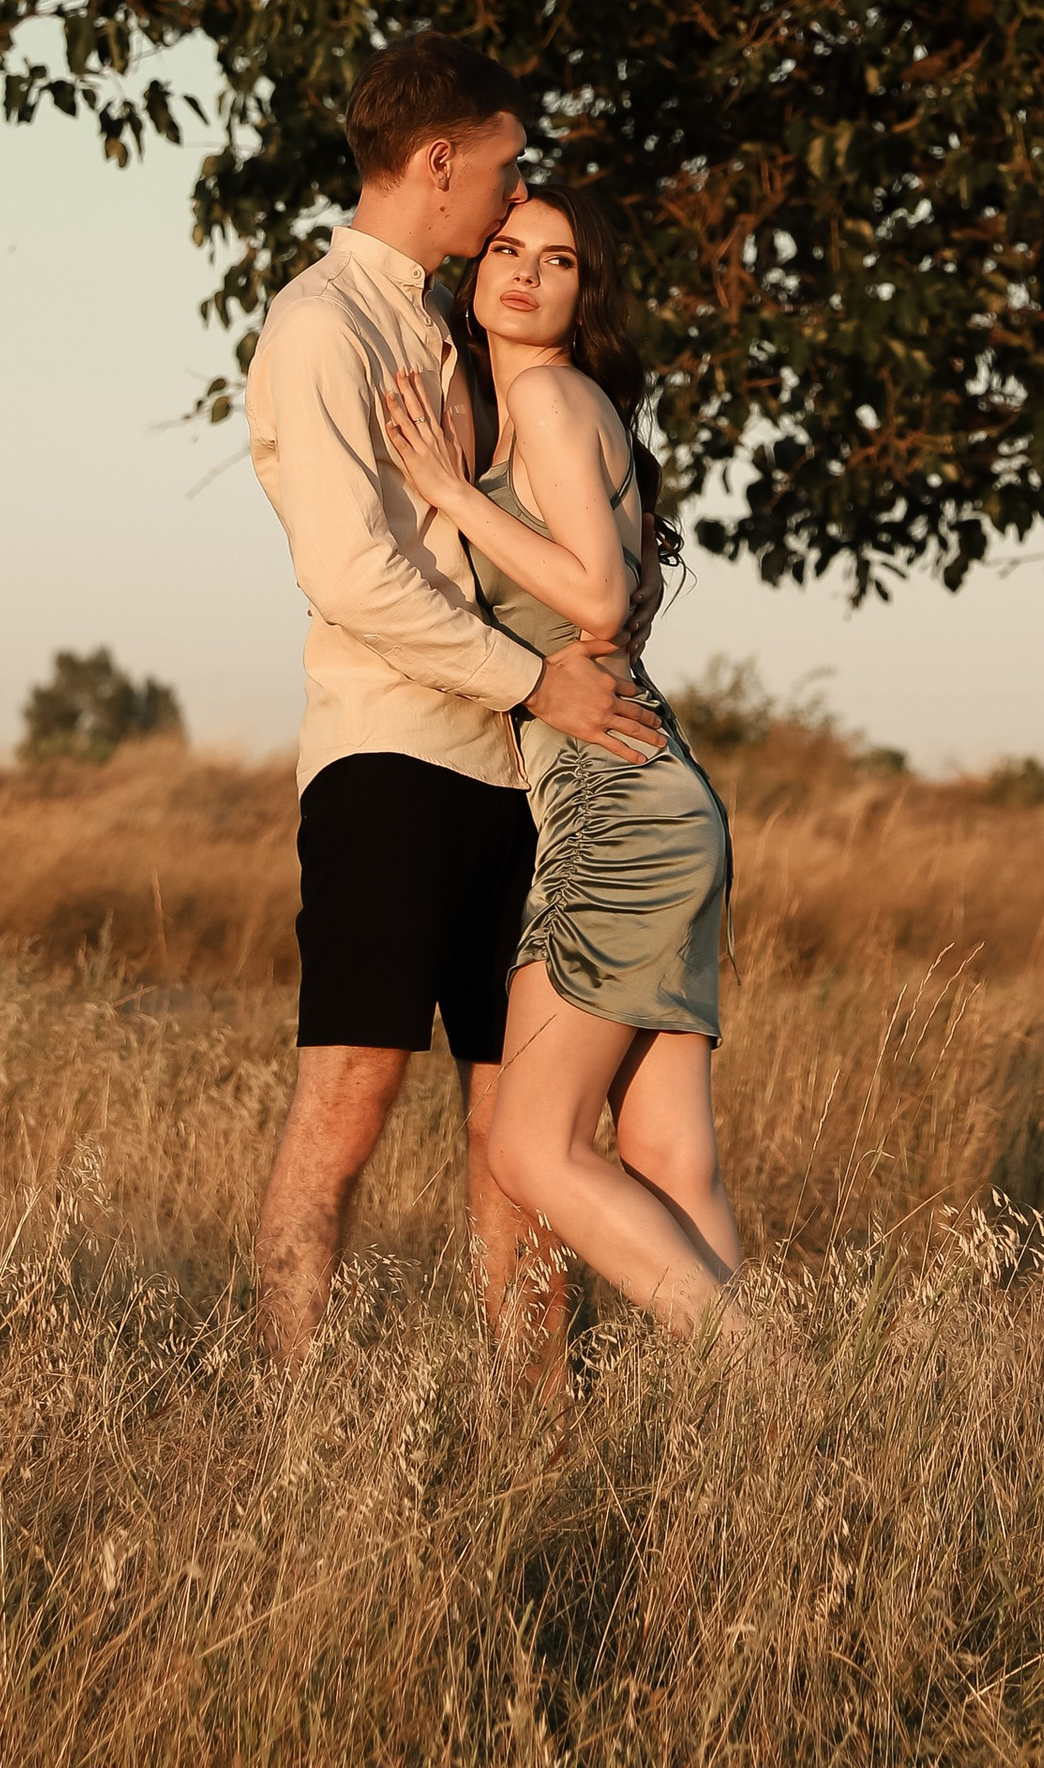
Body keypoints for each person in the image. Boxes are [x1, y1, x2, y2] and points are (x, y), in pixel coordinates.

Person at [246, 33, 663, 1369]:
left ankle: (531, 1433)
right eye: (502, 166)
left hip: (522, 773)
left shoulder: (453, 320)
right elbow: (355, 574)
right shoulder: (321, 322)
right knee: (350, 1099)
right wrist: (541, 673)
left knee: (521, 1129)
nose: (511, 194)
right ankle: (284, 1426)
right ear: (441, 161)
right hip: (391, 761)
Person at [382, 180, 741, 1343]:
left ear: (590, 294)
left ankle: (773, 1383)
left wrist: (445, 494)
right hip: (665, 795)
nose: (526, 271)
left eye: (561, 259)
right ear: (474, 269)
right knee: (667, 1157)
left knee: (532, 1148)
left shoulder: (543, 394)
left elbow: (591, 594)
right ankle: (763, 1458)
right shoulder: (579, 410)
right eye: (505, 247)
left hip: (615, 808)